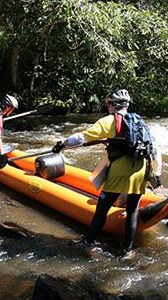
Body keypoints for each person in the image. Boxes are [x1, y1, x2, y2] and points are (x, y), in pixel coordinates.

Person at [52, 89, 154, 254]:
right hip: (141, 168)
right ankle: (127, 251)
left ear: (113, 105)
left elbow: (82, 137)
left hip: (121, 170)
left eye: (108, 104)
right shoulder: (139, 121)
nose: (108, 107)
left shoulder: (110, 120)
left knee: (102, 208)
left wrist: (63, 144)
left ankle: (88, 242)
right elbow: (152, 147)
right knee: (132, 210)